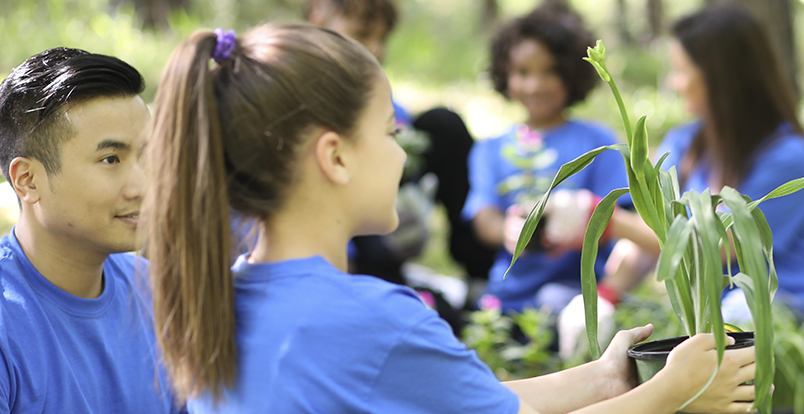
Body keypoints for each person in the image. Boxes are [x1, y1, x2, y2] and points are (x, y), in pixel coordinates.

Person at [142, 24, 757, 413]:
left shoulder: (226, 295)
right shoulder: (374, 321)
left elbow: (473, 402)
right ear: (334, 156)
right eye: (390, 133)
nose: (401, 153)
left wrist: (605, 378)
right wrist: (670, 394)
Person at [613, 4, 804, 325]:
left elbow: (717, 246)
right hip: (704, 321)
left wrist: (607, 219)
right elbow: (652, 232)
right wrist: (605, 297)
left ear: (721, 76)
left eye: (681, 70)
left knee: (739, 311)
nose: (675, 83)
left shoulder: (790, 157)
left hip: (785, 320)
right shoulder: (684, 141)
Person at [0, 47, 178, 412]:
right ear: (28, 180)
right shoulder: (8, 323)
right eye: (111, 159)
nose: (143, 186)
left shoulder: (155, 294)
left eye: (146, 155)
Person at [305, 0, 493, 333]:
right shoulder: (300, 106)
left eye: (382, 39)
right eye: (362, 35)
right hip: (338, 259)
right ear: (318, 20)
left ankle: (479, 280)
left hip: (381, 231)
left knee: (443, 124)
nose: (375, 50)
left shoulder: (380, 100)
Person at [467, 3, 656, 319]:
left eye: (550, 71)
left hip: (577, 293)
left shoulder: (600, 144)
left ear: (571, 73)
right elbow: (483, 216)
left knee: (556, 304)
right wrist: (508, 230)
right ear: (504, 73)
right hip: (506, 296)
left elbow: (630, 226)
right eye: (522, 72)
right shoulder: (489, 149)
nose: (534, 85)